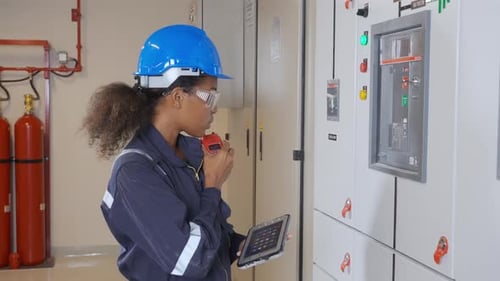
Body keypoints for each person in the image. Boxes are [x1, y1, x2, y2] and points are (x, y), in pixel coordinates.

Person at [81, 24, 245, 281]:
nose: (214, 108)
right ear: (178, 97)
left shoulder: (192, 153)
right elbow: (189, 261)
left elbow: (209, 227)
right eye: (210, 96)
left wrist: (240, 245)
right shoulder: (134, 172)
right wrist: (213, 185)